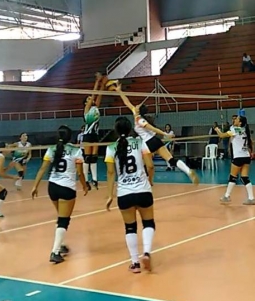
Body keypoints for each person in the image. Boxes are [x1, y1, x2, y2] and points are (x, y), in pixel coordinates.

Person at [111, 82, 198, 185]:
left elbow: (151, 127)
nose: (136, 105)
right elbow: (127, 102)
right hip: (156, 141)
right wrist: (119, 91)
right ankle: (188, 171)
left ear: (139, 111)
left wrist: (165, 134)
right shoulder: (135, 113)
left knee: (149, 166)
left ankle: (148, 181)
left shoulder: (139, 119)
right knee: (171, 160)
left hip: (147, 144)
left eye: (138, 106)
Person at [105, 117, 156, 274]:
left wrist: (110, 195)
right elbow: (150, 165)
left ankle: (135, 262)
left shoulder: (111, 148)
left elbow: (110, 172)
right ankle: (146, 252)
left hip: (124, 193)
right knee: (148, 223)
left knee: (130, 228)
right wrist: (150, 181)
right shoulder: (140, 142)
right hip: (143, 190)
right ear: (130, 129)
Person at [31, 125, 88, 264]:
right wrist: (85, 186)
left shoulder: (51, 149)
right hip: (66, 188)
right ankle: (55, 252)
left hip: (52, 187)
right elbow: (80, 173)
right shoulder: (76, 151)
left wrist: (35, 186)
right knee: (64, 220)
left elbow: (43, 168)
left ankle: (60, 244)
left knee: (61, 217)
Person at [213, 115, 255, 205]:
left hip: (238, 157)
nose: (234, 120)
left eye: (237, 119)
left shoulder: (235, 130)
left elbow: (221, 135)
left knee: (232, 177)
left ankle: (227, 196)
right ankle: (251, 198)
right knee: (244, 178)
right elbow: (251, 141)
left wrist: (217, 129)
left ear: (240, 122)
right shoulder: (244, 130)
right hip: (246, 156)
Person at [82, 72, 108, 190]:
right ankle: (86, 180)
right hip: (87, 135)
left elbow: (99, 95)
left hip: (95, 135)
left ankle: (95, 179)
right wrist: (97, 82)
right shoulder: (87, 109)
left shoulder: (95, 107)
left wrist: (103, 84)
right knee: (87, 158)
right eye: (88, 99)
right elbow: (93, 95)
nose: (90, 99)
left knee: (94, 158)